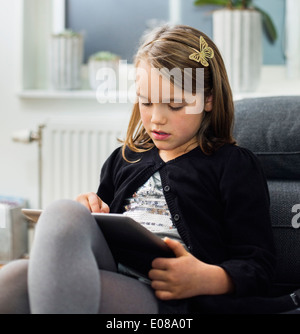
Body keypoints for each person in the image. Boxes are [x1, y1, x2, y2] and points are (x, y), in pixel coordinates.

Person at [0, 24, 299, 314]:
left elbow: (257, 266)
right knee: (55, 225)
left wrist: (206, 277)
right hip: (115, 271)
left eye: (175, 105)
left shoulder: (233, 165)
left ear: (208, 99)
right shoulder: (125, 159)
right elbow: (100, 236)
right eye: (146, 102)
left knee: (18, 279)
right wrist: (88, 212)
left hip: (175, 299)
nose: (157, 119)